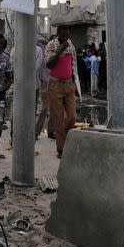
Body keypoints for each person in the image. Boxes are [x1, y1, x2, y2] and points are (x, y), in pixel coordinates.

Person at [45, 26, 78, 159]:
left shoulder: (71, 46)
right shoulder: (50, 46)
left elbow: (73, 65)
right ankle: (61, 149)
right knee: (58, 118)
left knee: (72, 117)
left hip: (69, 84)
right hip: (55, 85)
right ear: (57, 34)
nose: (65, 38)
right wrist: (59, 52)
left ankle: (64, 138)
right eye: (63, 36)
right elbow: (49, 65)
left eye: (67, 36)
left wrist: (76, 86)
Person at [35, 35, 52, 137]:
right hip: (43, 81)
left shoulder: (52, 51)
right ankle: (36, 130)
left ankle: (50, 130)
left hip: (52, 80)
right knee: (44, 107)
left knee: (52, 107)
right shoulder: (40, 47)